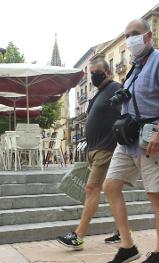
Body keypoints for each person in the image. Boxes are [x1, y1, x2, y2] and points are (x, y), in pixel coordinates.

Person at [102, 18, 159, 263]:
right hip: (128, 139)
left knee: (155, 193)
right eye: (126, 35)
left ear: (148, 36)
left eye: (134, 34)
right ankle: (127, 246)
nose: (130, 39)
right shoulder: (134, 68)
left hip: (151, 136)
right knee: (110, 185)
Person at [56, 58, 123, 250]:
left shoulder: (116, 88)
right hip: (93, 150)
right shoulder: (98, 94)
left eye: (97, 72)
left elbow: (127, 113)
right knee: (112, 192)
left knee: (91, 189)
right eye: (91, 73)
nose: (93, 75)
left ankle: (78, 235)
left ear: (109, 72)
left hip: (106, 149)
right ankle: (121, 231)